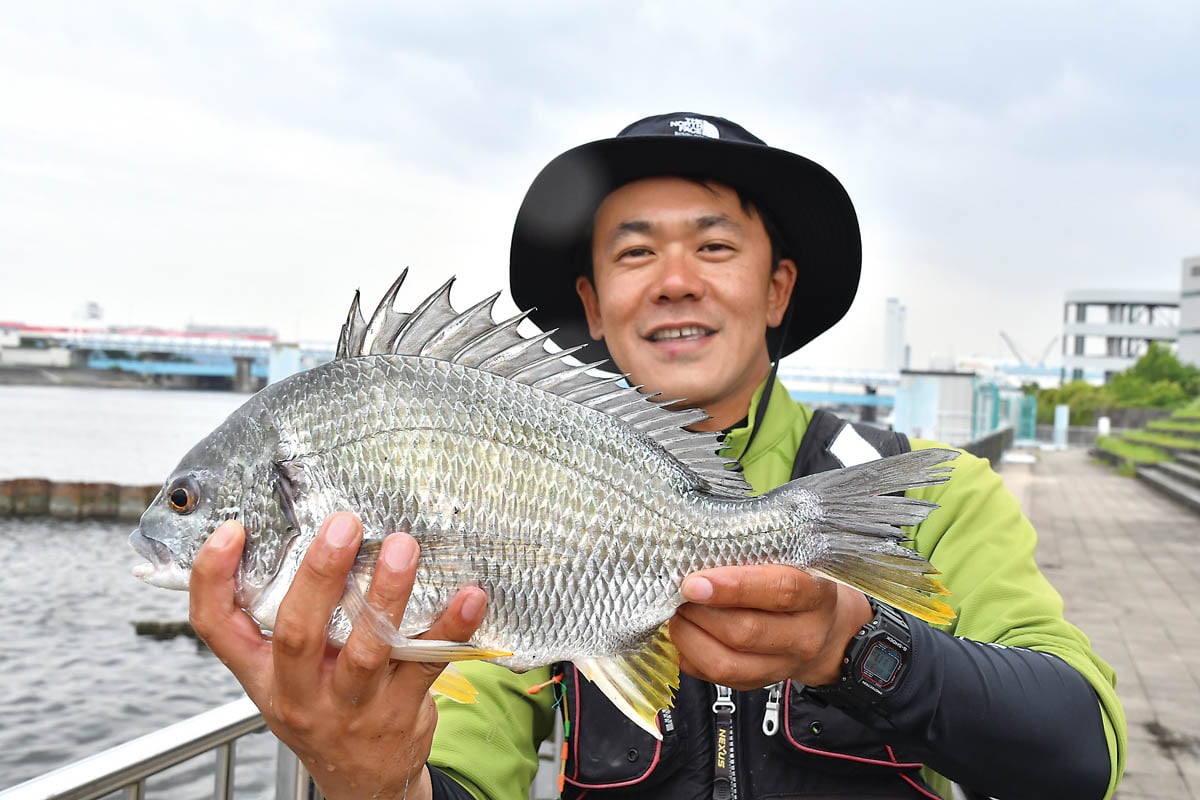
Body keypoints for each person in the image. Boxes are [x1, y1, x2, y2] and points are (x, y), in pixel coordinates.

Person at [189, 112, 1127, 800]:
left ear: (777, 288)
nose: (676, 280)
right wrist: (375, 779)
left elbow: (1078, 752)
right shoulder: (511, 508)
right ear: (593, 309)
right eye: (635, 255)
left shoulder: (939, 495)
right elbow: (463, 753)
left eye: (715, 245)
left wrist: (856, 645)